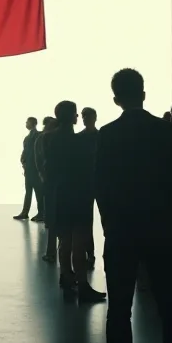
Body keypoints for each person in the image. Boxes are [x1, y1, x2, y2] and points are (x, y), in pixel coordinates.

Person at [95, 68, 172, 343]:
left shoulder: (107, 134)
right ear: (144, 94)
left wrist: (109, 225)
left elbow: (101, 185)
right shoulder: (167, 131)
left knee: (119, 309)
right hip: (159, 229)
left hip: (121, 231)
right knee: (170, 305)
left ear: (116, 100)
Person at [46, 101, 105, 302]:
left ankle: (66, 277)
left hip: (60, 195)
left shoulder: (50, 139)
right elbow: (87, 170)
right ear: (72, 117)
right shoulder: (79, 141)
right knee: (79, 241)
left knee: (65, 240)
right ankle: (82, 284)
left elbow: (49, 170)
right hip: (79, 196)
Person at [78, 107, 99, 268]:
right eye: (84, 116)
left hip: (88, 182)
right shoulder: (101, 136)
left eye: (87, 116)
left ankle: (90, 253)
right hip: (94, 182)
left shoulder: (79, 138)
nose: (85, 119)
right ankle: (90, 253)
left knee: (87, 220)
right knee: (87, 221)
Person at [35, 116, 59, 259]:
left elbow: (39, 159)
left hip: (50, 180)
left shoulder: (43, 138)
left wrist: (43, 175)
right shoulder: (44, 138)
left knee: (52, 218)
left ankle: (51, 253)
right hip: (56, 181)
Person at [14, 117, 42, 221]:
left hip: (35, 169)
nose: (26, 124)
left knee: (37, 192)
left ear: (32, 123)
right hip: (29, 169)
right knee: (30, 191)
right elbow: (25, 152)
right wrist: (23, 161)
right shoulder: (29, 137)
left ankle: (39, 213)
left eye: (27, 122)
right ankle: (26, 212)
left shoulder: (38, 136)